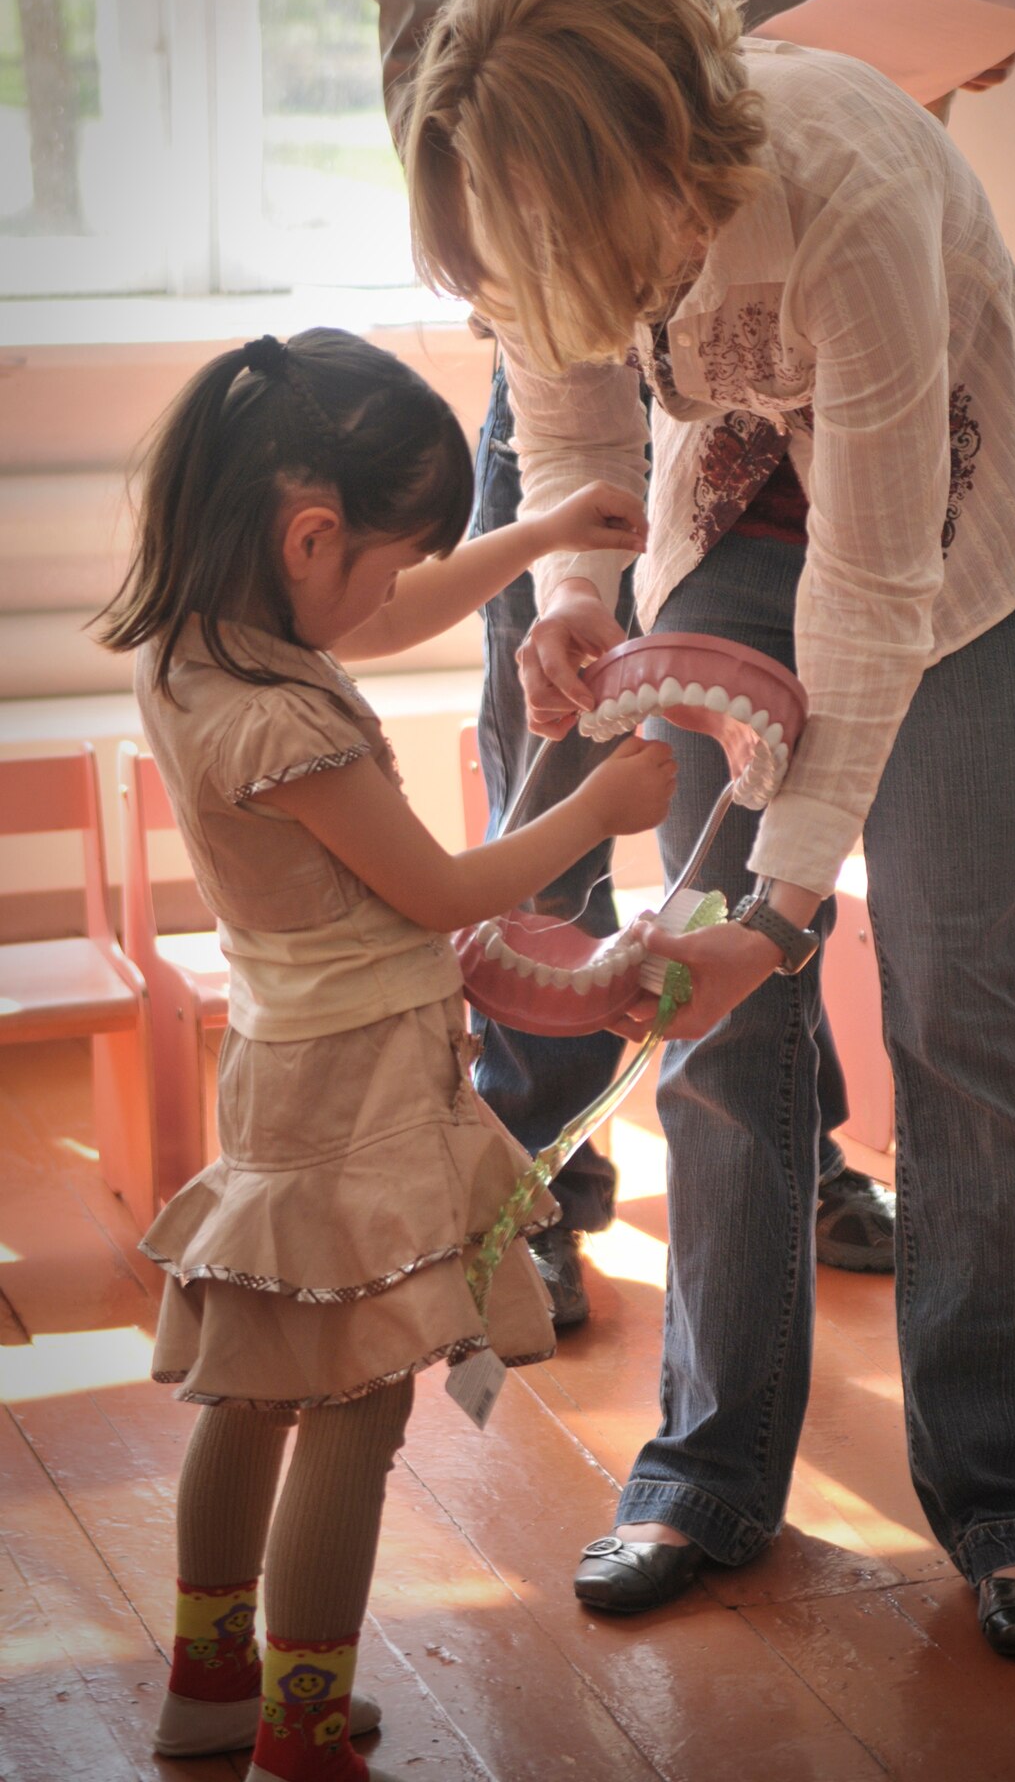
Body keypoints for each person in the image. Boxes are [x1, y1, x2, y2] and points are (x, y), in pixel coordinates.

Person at [403, 0, 1015, 1656]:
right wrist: (575, 598)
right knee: (698, 1009)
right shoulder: (527, 187)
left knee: (958, 999)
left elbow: (872, 596)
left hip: (954, 536)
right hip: (729, 513)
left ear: (653, 163)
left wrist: (786, 914)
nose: (530, 279)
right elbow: (562, 414)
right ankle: (708, 1471)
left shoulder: (847, 178)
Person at [97, 328, 675, 1780]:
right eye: (383, 555)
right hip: (361, 1090)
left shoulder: (199, 657)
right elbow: (444, 891)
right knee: (358, 1392)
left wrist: (541, 534)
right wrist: (601, 809)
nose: (396, 590)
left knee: (253, 1379)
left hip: (284, 1070)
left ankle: (211, 1686)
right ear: (309, 536)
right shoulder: (295, 725)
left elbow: (389, 609)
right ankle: (303, 1726)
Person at [373, 0, 914, 1321]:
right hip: (582, 348)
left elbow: (872, 114)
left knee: (730, 836)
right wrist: (566, 574)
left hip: (797, 333)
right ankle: (533, 1169)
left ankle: (789, 1148)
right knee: (562, 747)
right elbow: (458, 155)